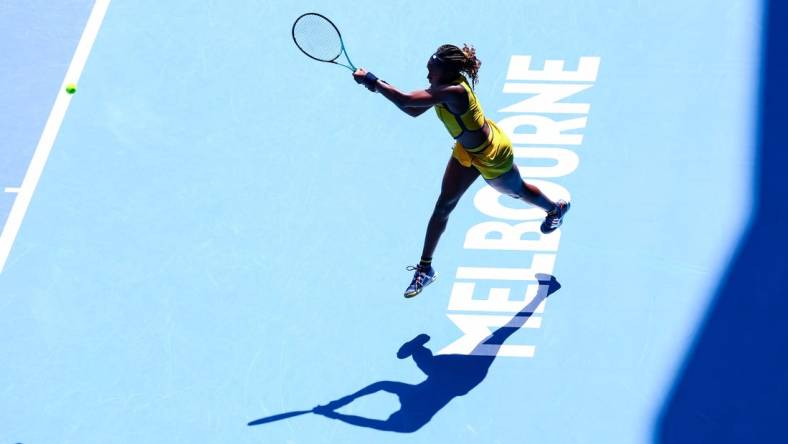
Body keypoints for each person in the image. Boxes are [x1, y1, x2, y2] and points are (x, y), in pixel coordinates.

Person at [353, 44, 569, 298]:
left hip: (492, 154)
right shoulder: (440, 88)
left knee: (518, 192)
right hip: (465, 152)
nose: (427, 76)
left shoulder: (456, 91)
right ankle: (425, 269)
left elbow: (407, 100)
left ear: (445, 71)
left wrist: (372, 80)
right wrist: (376, 86)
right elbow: (412, 110)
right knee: (444, 206)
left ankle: (555, 209)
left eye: (430, 71)